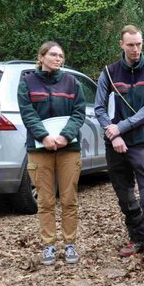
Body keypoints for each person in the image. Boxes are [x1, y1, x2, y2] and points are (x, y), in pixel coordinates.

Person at [94, 25, 144, 272]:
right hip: (115, 144)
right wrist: (113, 135)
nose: (136, 50)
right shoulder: (109, 73)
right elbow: (100, 109)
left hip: (143, 142)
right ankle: (137, 237)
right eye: (131, 45)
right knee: (124, 194)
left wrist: (121, 128)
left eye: (139, 44)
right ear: (121, 44)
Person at [17, 41, 86, 265]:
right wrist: (44, 137)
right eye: (53, 55)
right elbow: (27, 113)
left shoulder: (72, 83)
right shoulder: (27, 83)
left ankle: (69, 244)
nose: (58, 59)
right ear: (42, 56)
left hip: (69, 149)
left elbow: (79, 113)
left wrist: (65, 136)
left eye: (61, 56)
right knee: (45, 200)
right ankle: (48, 245)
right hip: (39, 149)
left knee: (69, 198)